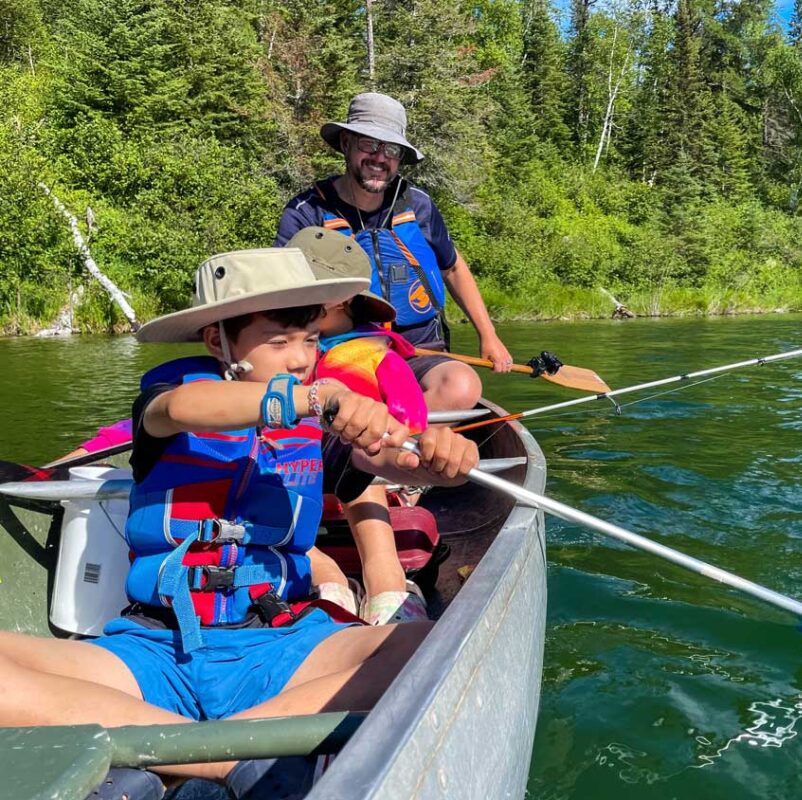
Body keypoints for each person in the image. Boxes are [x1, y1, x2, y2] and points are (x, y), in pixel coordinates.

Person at [0, 248, 478, 798]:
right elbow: (181, 411)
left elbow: (391, 461)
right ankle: (234, 760)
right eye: (279, 341)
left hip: (279, 644)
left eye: (311, 339)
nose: (301, 358)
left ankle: (176, 750)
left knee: (425, 646)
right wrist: (307, 399)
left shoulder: (319, 424)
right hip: (158, 649)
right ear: (216, 341)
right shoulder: (166, 401)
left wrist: (442, 460)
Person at [274, 92, 514, 411]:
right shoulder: (306, 212)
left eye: (391, 149)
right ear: (346, 142)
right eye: (369, 144)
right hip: (342, 351)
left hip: (420, 351)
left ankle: (387, 439)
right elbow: (278, 296)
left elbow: (453, 268)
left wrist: (489, 335)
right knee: (344, 397)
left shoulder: (418, 205)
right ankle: (384, 440)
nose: (379, 158)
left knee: (463, 385)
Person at [290, 225, 432, 625]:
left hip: (354, 452)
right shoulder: (267, 346)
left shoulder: (369, 350)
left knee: (360, 461)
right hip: (289, 459)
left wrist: (407, 438)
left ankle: (386, 581)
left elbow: (408, 411)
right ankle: (328, 577)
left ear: (345, 299)